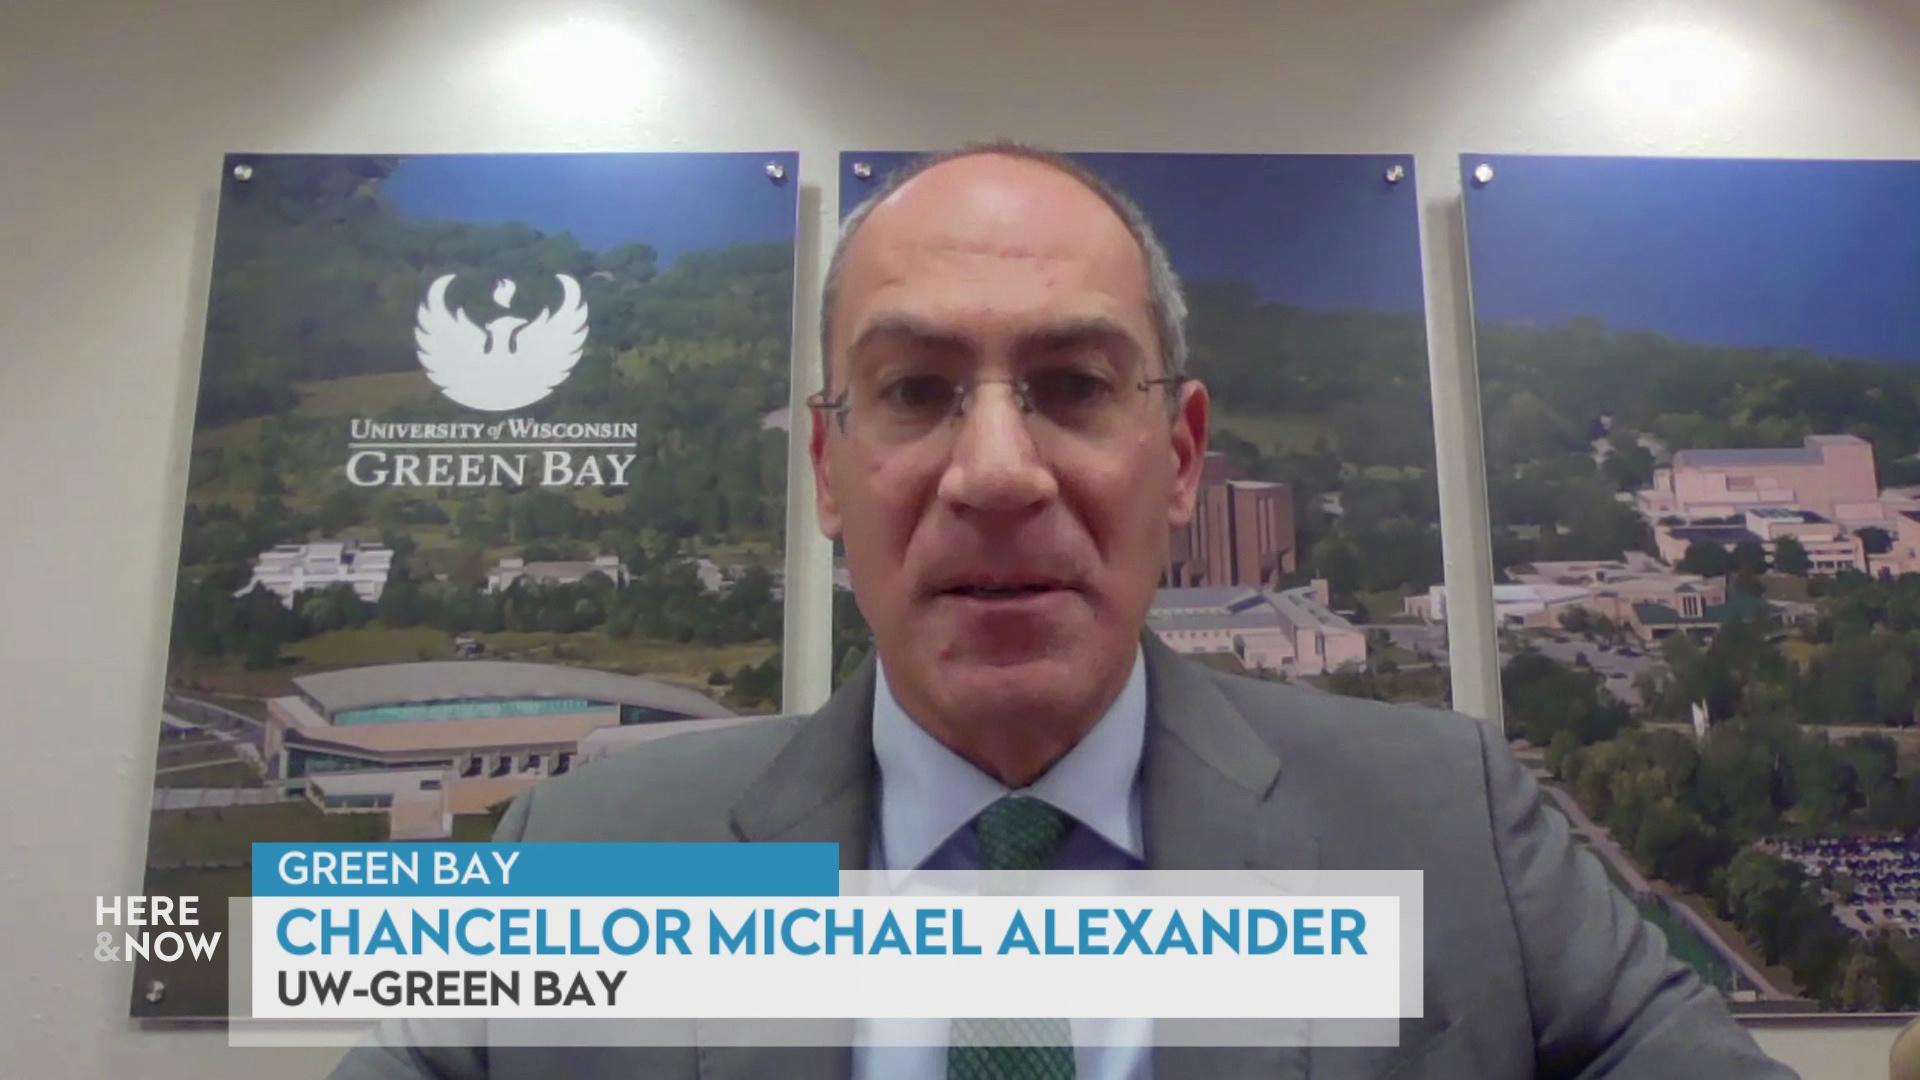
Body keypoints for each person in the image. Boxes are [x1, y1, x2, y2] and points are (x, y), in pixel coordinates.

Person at [334, 144, 1795, 1079]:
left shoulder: (1452, 823)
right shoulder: (579, 859)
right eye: (914, 391)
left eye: (1077, 388)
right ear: (830, 467)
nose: (995, 472)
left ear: (1178, 456)